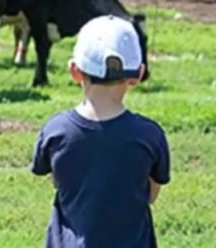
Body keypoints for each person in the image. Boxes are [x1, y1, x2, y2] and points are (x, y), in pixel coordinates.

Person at [31, 15, 169, 248]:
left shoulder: (56, 130)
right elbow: (151, 194)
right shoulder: (150, 135)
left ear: (74, 71)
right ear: (137, 74)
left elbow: (57, 180)